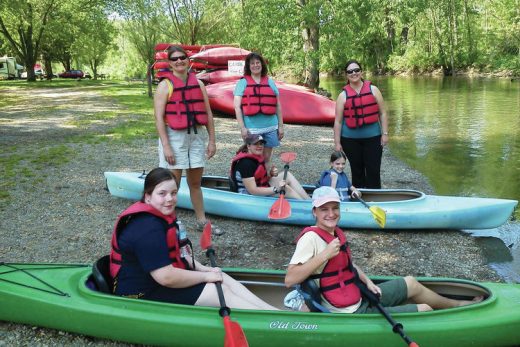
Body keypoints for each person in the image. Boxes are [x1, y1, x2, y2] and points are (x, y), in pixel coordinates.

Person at [284, 186, 483, 313]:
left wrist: (368, 282)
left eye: (334, 208)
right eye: (324, 209)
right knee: (424, 309)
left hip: (359, 292)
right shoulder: (310, 238)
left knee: (411, 283)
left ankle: (457, 306)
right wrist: (324, 255)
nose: (331, 213)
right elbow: (290, 279)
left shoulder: (335, 232)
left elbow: (346, 264)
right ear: (314, 212)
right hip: (346, 310)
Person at [109, 167, 278, 310]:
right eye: (162, 193)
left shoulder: (161, 216)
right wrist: (205, 278)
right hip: (139, 292)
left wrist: (205, 270)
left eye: (173, 193)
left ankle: (273, 313)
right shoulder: (146, 228)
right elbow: (166, 277)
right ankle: (271, 323)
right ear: (147, 196)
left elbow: (181, 255)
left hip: (157, 281)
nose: (169, 199)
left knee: (220, 276)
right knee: (216, 291)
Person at [153, 45, 222, 235]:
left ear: (188, 60)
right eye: (174, 59)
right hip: (175, 137)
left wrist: (212, 141)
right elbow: (158, 118)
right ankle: (168, 223)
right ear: (169, 63)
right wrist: (166, 146)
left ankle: (202, 220)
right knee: (171, 185)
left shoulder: (198, 84)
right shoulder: (164, 86)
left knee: (195, 183)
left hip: (196, 136)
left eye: (182, 57)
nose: (179, 61)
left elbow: (207, 114)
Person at [333, 60, 389, 189]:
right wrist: (337, 143)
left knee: (373, 170)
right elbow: (338, 121)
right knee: (357, 171)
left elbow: (383, 114)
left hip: (373, 139)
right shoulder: (342, 96)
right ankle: (358, 198)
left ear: (361, 72)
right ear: (346, 75)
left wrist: (385, 134)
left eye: (357, 70)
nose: (354, 73)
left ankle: (375, 198)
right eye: (350, 71)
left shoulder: (373, 90)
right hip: (350, 141)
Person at [233, 52, 284, 166]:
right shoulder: (243, 83)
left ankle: (264, 181)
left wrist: (280, 126)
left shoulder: (270, 82)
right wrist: (242, 128)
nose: (255, 65)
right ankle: (252, 182)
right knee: (253, 158)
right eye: (252, 63)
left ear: (262, 65)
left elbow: (278, 105)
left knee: (266, 159)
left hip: (271, 127)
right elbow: (237, 107)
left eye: (258, 62)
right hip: (252, 129)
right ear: (248, 66)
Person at [230, 133, 310, 199]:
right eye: (256, 144)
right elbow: (253, 190)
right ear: (248, 146)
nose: (260, 146)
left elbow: (260, 179)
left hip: (259, 187)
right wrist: (275, 189)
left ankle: (310, 202)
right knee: (285, 188)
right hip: (247, 196)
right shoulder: (245, 163)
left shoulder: (256, 157)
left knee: (287, 175)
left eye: (261, 143)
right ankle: (306, 208)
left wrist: (270, 174)